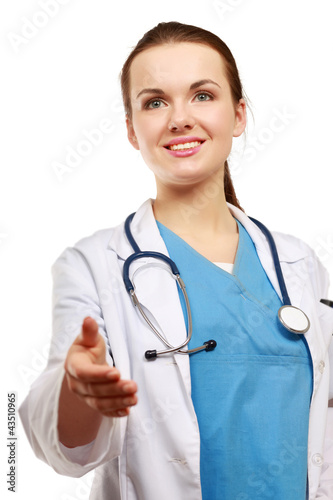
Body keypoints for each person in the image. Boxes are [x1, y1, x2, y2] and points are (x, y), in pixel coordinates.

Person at [19, 21, 333, 500]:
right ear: (130, 129)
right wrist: (77, 390)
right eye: (154, 102)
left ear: (240, 114)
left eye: (203, 96)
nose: (179, 118)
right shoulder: (93, 263)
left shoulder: (299, 263)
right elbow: (68, 451)